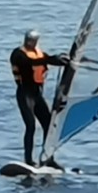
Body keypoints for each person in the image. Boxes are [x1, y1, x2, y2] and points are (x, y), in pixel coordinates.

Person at [10, 28, 69, 169]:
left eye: (32, 41)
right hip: (25, 94)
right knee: (31, 125)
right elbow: (29, 63)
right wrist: (51, 59)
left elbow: (46, 60)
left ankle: (48, 158)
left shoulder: (39, 54)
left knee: (49, 125)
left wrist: (61, 60)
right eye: (28, 40)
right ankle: (28, 160)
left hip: (37, 95)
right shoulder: (18, 54)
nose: (29, 43)